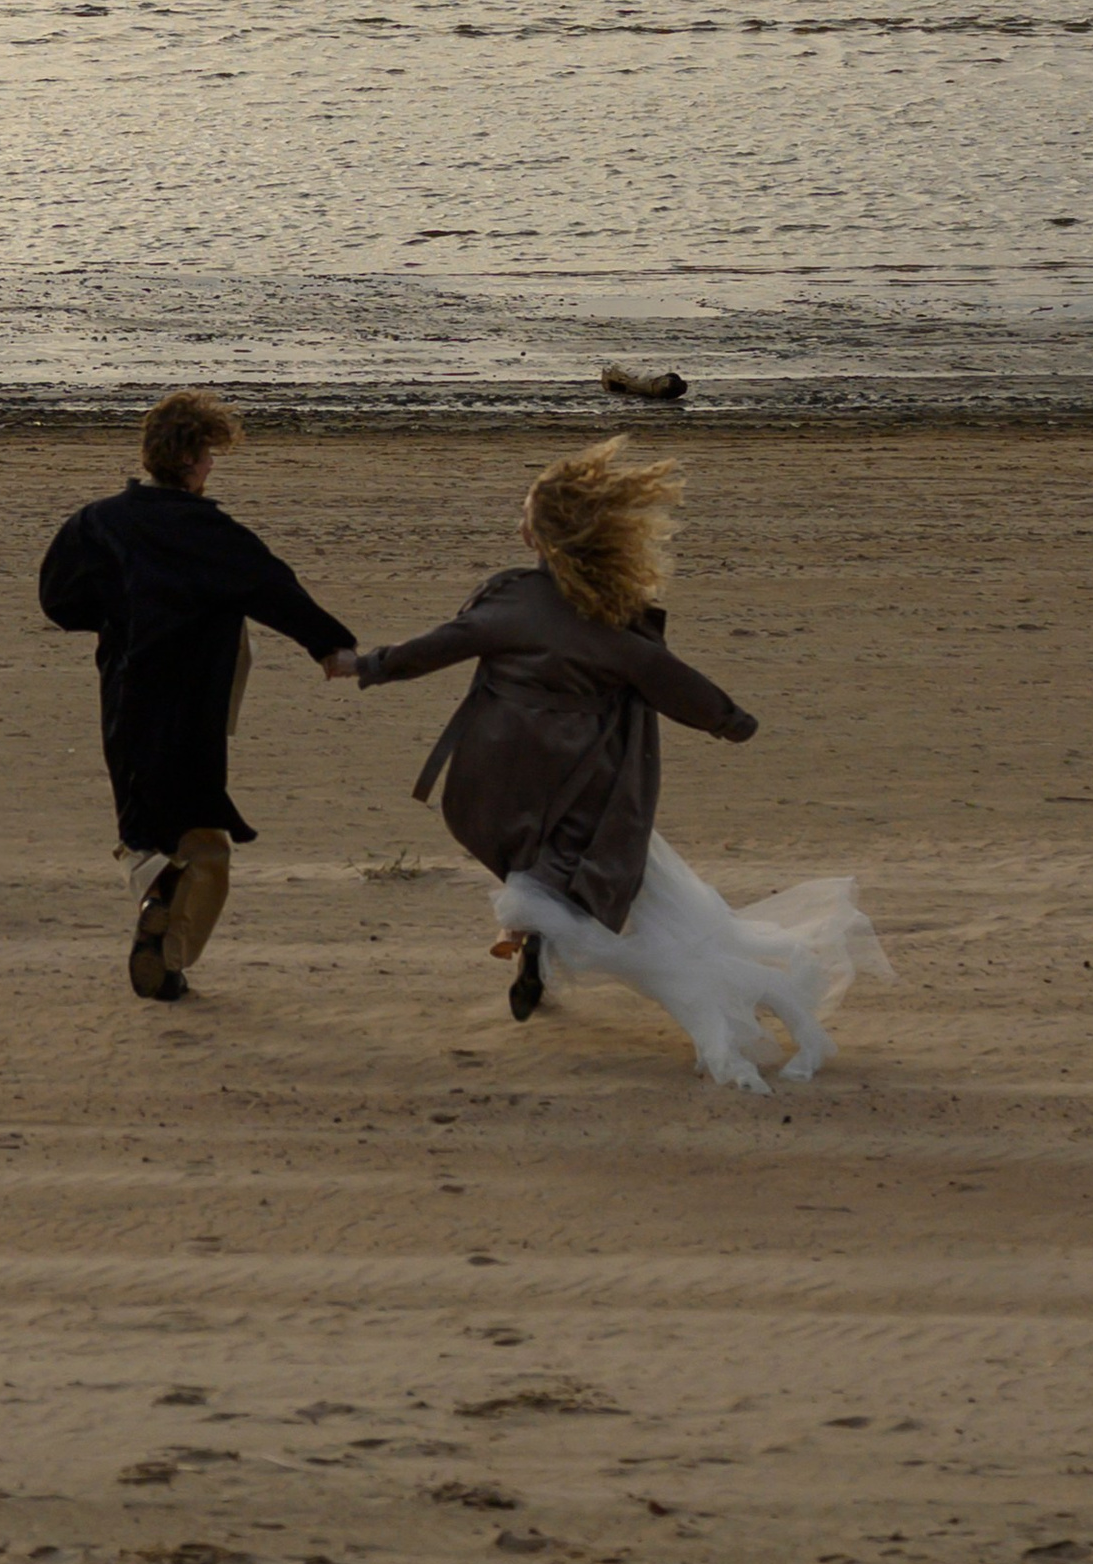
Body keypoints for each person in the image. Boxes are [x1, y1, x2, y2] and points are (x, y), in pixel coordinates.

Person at [329, 437, 887, 1091]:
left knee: (527, 858)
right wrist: (729, 720)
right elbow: (667, 677)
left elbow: (439, 645)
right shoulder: (608, 619)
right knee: (574, 864)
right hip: (584, 778)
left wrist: (366, 664)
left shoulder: (512, 601)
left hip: (507, 770)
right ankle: (533, 932)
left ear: (541, 538)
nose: (519, 523)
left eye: (526, 515)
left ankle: (530, 934)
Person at [41, 391, 355, 1005]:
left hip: (126, 696)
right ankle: (166, 942)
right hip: (194, 703)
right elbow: (274, 589)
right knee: (203, 843)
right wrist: (330, 647)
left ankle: (157, 897)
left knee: (147, 820)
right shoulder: (212, 533)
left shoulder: (98, 523)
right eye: (209, 454)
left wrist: (118, 616)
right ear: (190, 459)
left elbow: (58, 599)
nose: (212, 465)